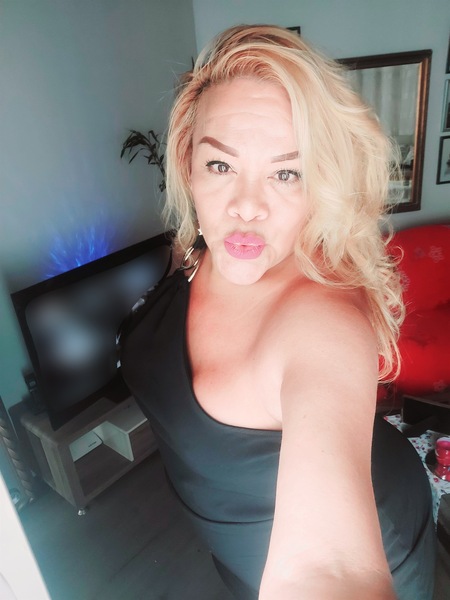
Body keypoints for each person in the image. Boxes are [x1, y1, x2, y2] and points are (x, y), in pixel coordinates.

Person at [119, 25, 435, 600]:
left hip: (384, 540)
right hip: (237, 549)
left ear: (321, 183)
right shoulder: (198, 249)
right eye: (221, 166)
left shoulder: (321, 321)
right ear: (188, 163)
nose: (246, 208)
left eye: (287, 172)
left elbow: (330, 569)